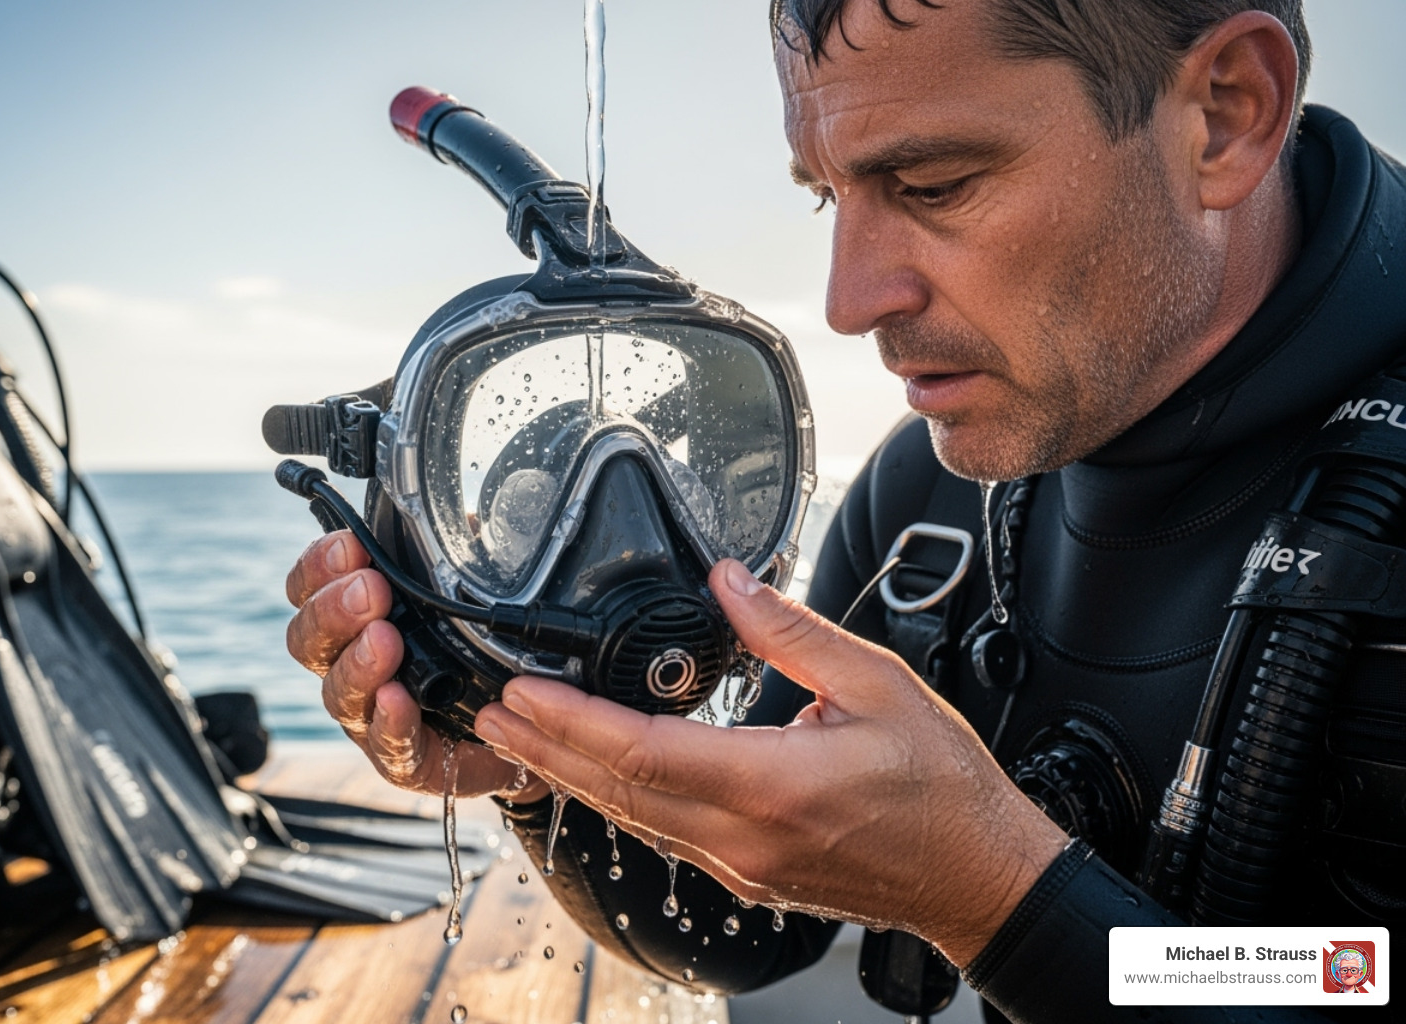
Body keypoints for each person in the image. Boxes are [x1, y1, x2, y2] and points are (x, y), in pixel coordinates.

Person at [285, 0, 1406, 1019]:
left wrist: (998, 895)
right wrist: (535, 746)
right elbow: (754, 925)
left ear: (1226, 114)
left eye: (933, 186)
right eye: (828, 194)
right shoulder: (930, 500)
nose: (846, 300)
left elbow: (1351, 971)